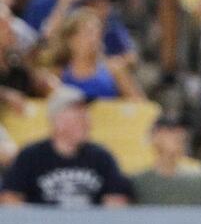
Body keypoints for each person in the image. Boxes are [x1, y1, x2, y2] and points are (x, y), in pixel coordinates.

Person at [0, 86, 131, 207]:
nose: (87, 120)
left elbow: (117, 202)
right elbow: (10, 199)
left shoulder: (101, 157)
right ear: (57, 120)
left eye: (86, 113)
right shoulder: (31, 156)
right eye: (78, 114)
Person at [131, 115, 201, 207]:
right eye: (171, 130)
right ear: (154, 136)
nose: (179, 134)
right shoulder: (138, 182)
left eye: (182, 130)